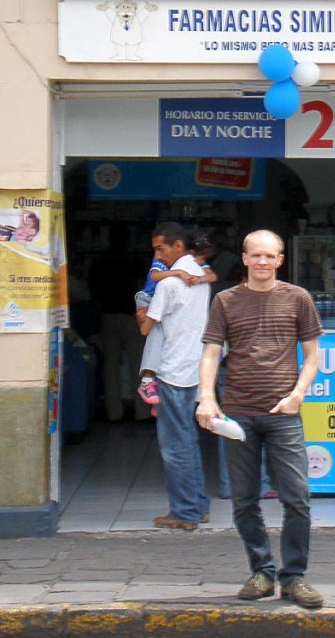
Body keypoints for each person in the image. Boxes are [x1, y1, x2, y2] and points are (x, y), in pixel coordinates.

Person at [195, 229, 324, 609]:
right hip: (237, 413)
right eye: (256, 256)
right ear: (246, 258)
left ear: (280, 260)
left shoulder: (298, 299)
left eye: (270, 256)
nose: (263, 262)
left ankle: (295, 577)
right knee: (244, 500)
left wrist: (297, 395)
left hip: (283, 413)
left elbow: (313, 355)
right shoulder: (225, 300)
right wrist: (206, 398)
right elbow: (210, 353)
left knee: (297, 499)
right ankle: (262, 571)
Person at [135, 222, 212, 530]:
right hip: (194, 367)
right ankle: (198, 506)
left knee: (174, 448)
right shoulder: (201, 279)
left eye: (160, 248)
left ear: (178, 245)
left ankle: (185, 512)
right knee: (188, 441)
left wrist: (142, 314)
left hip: (170, 370)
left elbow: (145, 328)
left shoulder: (168, 285)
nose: (157, 254)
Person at [135, 231, 217, 409]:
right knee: (154, 333)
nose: (157, 254)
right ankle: (147, 380)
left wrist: (199, 278)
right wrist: (179, 272)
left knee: (160, 334)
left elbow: (212, 276)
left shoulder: (195, 266)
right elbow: (155, 277)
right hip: (146, 299)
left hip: (160, 305)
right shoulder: (167, 270)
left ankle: (151, 386)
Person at [88, 224, 141, 422]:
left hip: (108, 314)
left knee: (110, 366)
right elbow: (144, 285)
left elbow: (91, 285)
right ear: (127, 239)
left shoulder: (100, 259)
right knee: (138, 364)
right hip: (130, 314)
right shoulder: (133, 258)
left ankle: (114, 412)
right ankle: (142, 412)